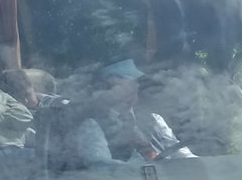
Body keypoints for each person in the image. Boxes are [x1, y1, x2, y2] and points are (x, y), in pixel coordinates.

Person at [65, 58, 195, 165]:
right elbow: (101, 168)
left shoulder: (155, 120)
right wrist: (139, 169)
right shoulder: (92, 125)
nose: (136, 86)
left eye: (136, 82)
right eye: (130, 81)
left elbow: (185, 156)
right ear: (109, 85)